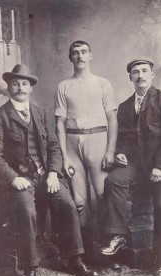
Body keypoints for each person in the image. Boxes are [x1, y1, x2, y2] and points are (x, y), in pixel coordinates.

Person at [0, 64, 98, 276]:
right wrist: (13, 178)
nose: (20, 88)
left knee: (67, 203)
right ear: (8, 87)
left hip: (46, 176)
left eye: (24, 84)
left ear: (31, 88)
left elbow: (54, 146)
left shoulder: (41, 113)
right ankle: (29, 268)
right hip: (19, 181)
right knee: (26, 211)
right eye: (15, 83)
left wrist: (54, 173)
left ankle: (74, 259)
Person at [100, 57, 161, 276]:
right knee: (113, 180)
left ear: (152, 75)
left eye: (144, 71)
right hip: (137, 167)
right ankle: (118, 236)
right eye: (136, 72)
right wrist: (120, 154)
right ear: (130, 77)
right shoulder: (126, 106)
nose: (140, 76)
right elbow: (123, 139)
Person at [55, 41, 118, 249]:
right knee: (79, 200)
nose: (80, 56)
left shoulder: (103, 84)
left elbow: (112, 120)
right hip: (72, 144)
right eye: (75, 53)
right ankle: (88, 248)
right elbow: (59, 124)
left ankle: (108, 246)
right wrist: (64, 156)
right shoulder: (64, 86)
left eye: (83, 52)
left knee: (102, 195)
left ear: (91, 55)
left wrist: (110, 150)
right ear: (70, 58)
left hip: (98, 141)